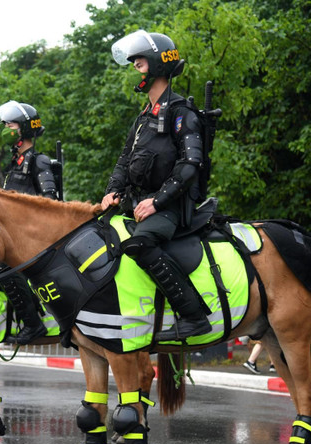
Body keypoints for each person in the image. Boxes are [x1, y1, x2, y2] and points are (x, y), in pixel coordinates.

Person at [101, 30, 211, 341]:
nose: (135, 68)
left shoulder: (180, 113)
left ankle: (193, 316)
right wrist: (112, 191)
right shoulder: (142, 118)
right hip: (136, 202)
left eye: (139, 63)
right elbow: (124, 161)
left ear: (158, 67)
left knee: (140, 244)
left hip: (169, 207)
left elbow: (190, 164)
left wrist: (158, 202)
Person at [0, 101, 61, 345]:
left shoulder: (39, 162)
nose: (6, 128)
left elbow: (51, 205)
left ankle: (33, 324)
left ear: (25, 130)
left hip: (34, 240)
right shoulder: (13, 166)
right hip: (14, 239)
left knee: (3, 270)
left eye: (10, 124)